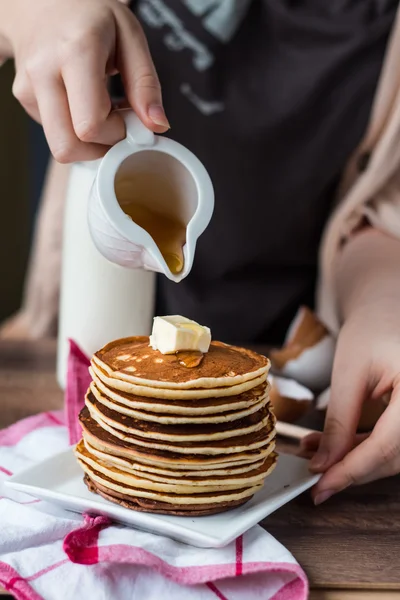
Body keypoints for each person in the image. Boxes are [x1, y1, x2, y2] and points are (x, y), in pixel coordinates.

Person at [1, 0, 400, 506]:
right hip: (72, 344)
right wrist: (26, 12)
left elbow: (383, 206)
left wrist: (386, 302)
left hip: (294, 362)